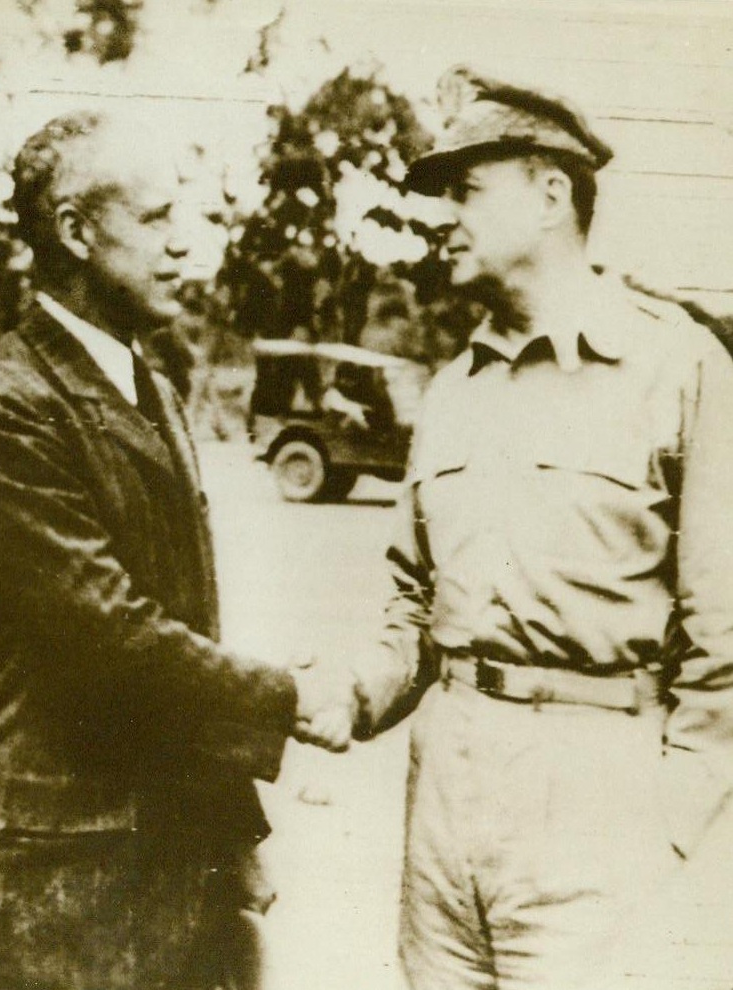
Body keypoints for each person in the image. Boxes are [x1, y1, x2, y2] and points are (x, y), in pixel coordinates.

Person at [0, 110, 354, 990]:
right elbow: (107, 636)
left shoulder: (146, 378)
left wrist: (235, 835)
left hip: (164, 856)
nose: (185, 246)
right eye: (158, 220)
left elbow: (184, 616)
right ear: (78, 232)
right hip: (50, 877)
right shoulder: (9, 401)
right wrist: (288, 695)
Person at [344, 65, 733, 989]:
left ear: (551, 192)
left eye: (466, 190)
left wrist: (669, 819)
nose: (445, 217)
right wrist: (348, 696)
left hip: (597, 798)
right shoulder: (452, 390)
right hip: (445, 799)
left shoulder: (677, 369)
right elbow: (412, 602)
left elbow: (728, 633)